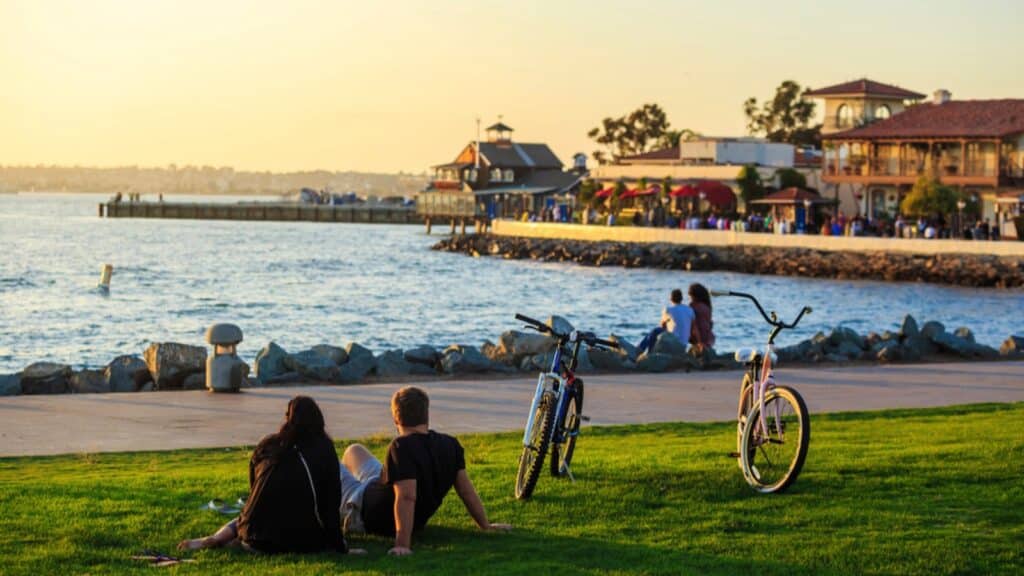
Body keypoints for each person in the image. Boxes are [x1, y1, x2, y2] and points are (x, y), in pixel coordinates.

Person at [178, 397, 361, 555]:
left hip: (251, 534)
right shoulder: (324, 448)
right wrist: (340, 546)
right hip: (294, 540)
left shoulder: (269, 444)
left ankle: (218, 538)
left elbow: (253, 487)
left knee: (246, 516)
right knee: (297, 521)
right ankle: (238, 540)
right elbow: (329, 505)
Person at [340, 386, 510, 556]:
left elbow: (406, 497)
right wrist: (485, 525)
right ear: (426, 414)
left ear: (395, 419)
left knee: (335, 467)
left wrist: (402, 545)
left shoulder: (401, 447)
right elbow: (466, 491)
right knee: (354, 450)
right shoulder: (451, 445)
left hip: (361, 508)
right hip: (376, 487)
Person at [637, 288, 694, 355]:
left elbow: (662, 325)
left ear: (671, 298)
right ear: (681, 299)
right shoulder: (690, 310)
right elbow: (691, 327)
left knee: (655, 331)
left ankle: (644, 351)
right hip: (684, 345)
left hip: (673, 343)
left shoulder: (668, 310)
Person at [688, 283, 716, 355]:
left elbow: (694, 326)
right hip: (709, 337)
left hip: (699, 337)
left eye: (690, 296)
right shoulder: (707, 306)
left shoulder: (693, 306)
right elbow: (710, 324)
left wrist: (699, 341)